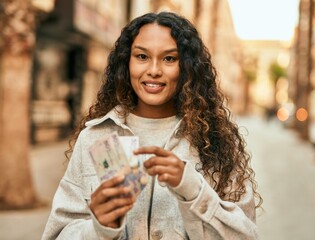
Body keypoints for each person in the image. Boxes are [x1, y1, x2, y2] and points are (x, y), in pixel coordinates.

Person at [42, 11, 262, 240]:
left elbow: (246, 235)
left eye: (169, 59)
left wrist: (194, 191)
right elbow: (57, 234)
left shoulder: (214, 141)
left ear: (187, 67)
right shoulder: (95, 137)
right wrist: (100, 229)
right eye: (142, 56)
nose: (154, 70)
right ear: (127, 62)